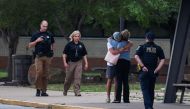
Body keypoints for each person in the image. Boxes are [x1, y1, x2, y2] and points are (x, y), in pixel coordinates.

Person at [134, 32, 165, 109]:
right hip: (153, 72)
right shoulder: (158, 48)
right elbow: (162, 59)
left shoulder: (142, 47)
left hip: (144, 71)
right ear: (154, 39)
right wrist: (157, 69)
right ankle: (150, 106)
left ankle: (148, 107)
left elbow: (136, 56)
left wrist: (142, 66)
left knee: (145, 90)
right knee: (151, 89)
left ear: (146, 38)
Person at [28, 20, 55, 96]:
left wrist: (52, 51)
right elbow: (29, 45)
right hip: (39, 57)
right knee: (39, 73)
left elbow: (52, 43)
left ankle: (44, 91)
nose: (45, 28)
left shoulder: (49, 34)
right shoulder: (36, 34)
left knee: (46, 74)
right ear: (40, 25)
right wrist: (37, 41)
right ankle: (38, 89)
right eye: (43, 26)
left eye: (46, 26)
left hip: (48, 57)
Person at [62, 30, 88, 96]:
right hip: (70, 62)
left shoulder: (81, 45)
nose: (77, 37)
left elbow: (84, 54)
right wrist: (65, 62)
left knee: (78, 77)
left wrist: (86, 63)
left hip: (78, 62)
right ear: (73, 37)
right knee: (68, 78)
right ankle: (65, 89)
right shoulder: (69, 44)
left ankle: (77, 91)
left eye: (78, 36)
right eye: (75, 36)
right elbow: (64, 54)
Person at [113, 29, 133, 103]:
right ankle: (126, 99)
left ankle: (118, 98)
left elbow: (116, 51)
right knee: (125, 81)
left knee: (119, 80)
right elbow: (131, 43)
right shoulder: (128, 43)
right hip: (127, 62)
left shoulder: (119, 44)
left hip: (120, 61)